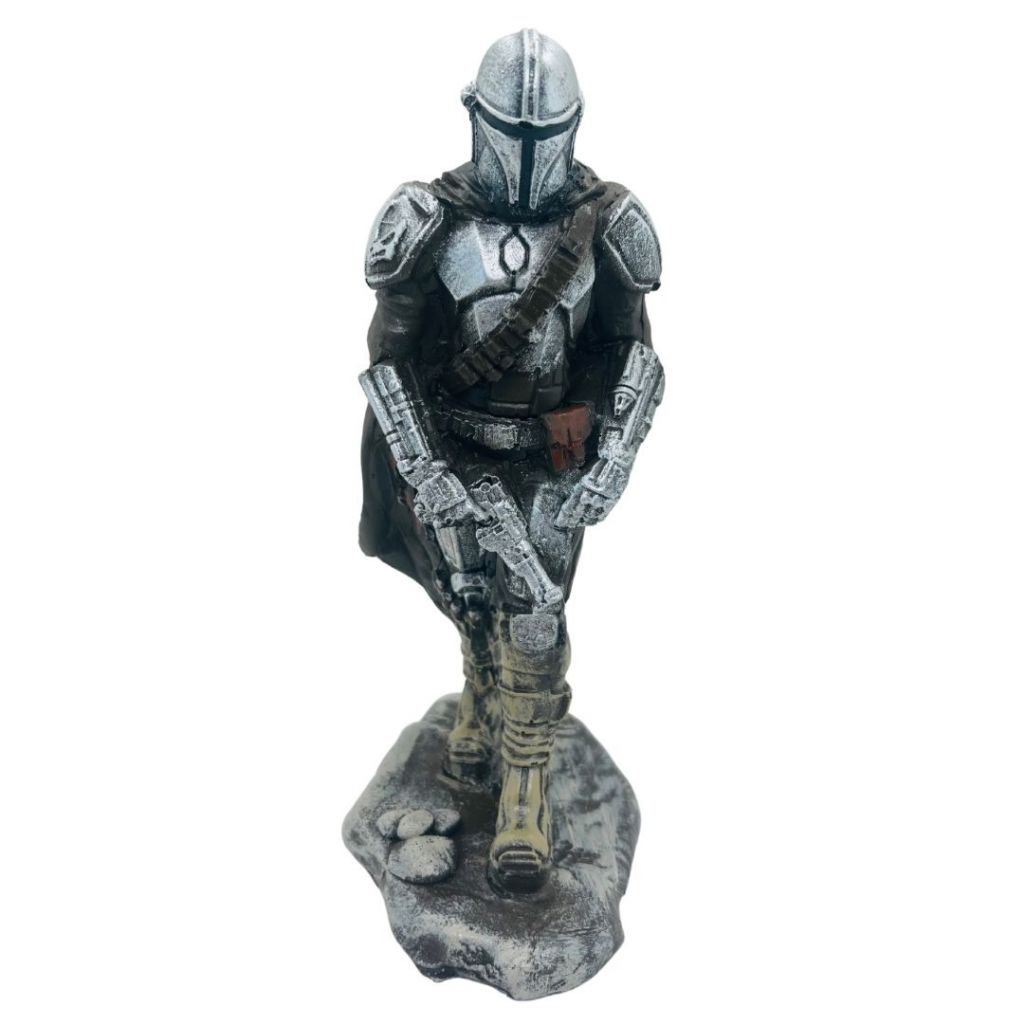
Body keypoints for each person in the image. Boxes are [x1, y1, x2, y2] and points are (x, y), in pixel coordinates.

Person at [358, 28, 664, 893]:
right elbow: (391, 357)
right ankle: (477, 701)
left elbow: (631, 352)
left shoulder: (606, 222)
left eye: (545, 135)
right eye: (512, 132)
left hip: (551, 461)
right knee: (469, 599)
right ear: (474, 115)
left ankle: (525, 793)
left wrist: (610, 458)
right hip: (454, 453)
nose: (528, 154)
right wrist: (423, 467)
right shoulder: (430, 219)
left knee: (536, 620)